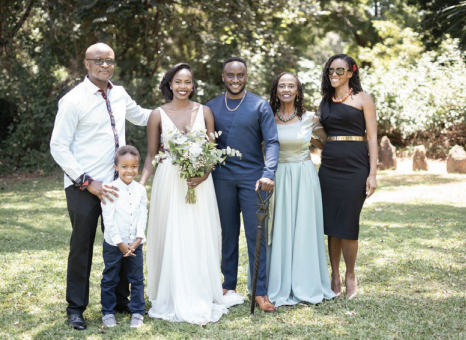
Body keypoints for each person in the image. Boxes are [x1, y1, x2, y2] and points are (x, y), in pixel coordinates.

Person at [50, 42, 152, 330]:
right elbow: (58, 146)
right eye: (98, 59)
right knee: (81, 247)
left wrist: (177, 114)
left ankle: (120, 301)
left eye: (109, 60)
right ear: (86, 63)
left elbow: (143, 117)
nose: (104, 64)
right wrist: (86, 181)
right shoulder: (74, 100)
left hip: (116, 187)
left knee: (120, 241)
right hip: (83, 186)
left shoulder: (118, 93)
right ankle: (75, 309)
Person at [140, 63, 244, 325]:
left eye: (188, 82)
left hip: (200, 182)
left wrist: (206, 172)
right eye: (178, 81)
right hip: (169, 182)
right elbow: (152, 155)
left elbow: (212, 149)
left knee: (199, 234)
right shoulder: (157, 115)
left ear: (193, 85)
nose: (183, 86)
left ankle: (200, 291)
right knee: (172, 234)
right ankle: (173, 292)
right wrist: (139, 186)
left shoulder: (205, 111)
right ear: (169, 84)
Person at [206, 57, 280, 313]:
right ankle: (227, 286)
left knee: (256, 235)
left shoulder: (260, 105)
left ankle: (260, 292)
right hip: (221, 180)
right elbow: (203, 142)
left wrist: (268, 172)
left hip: (254, 180)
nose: (235, 80)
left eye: (240, 75)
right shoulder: (211, 106)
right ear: (223, 76)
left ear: (246, 76)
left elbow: (272, 142)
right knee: (227, 234)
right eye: (230, 75)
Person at [266, 72, 336, 307]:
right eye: (282, 86)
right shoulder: (267, 116)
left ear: (298, 91)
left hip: (304, 175)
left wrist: (310, 141)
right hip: (278, 176)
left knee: (304, 227)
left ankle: (307, 282)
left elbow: (327, 143)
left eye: (291, 86)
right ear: (275, 90)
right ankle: (281, 283)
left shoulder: (309, 118)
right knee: (280, 228)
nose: (286, 89)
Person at [317, 54, 377, 299]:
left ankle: (351, 274)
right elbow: (319, 136)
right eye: (331, 70)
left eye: (340, 70)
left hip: (356, 165)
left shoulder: (364, 99)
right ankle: (335, 275)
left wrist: (373, 173)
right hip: (330, 165)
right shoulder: (324, 102)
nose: (334, 74)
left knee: (349, 223)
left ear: (351, 73)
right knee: (332, 224)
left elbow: (372, 137)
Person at [100, 146, 147, 328]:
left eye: (134, 166)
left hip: (135, 244)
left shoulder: (140, 190)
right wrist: (120, 243)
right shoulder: (110, 189)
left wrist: (137, 240)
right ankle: (108, 312)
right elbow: (108, 220)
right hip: (114, 244)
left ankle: (137, 312)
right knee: (110, 278)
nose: (130, 170)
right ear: (116, 167)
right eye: (125, 166)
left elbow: (143, 215)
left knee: (137, 279)